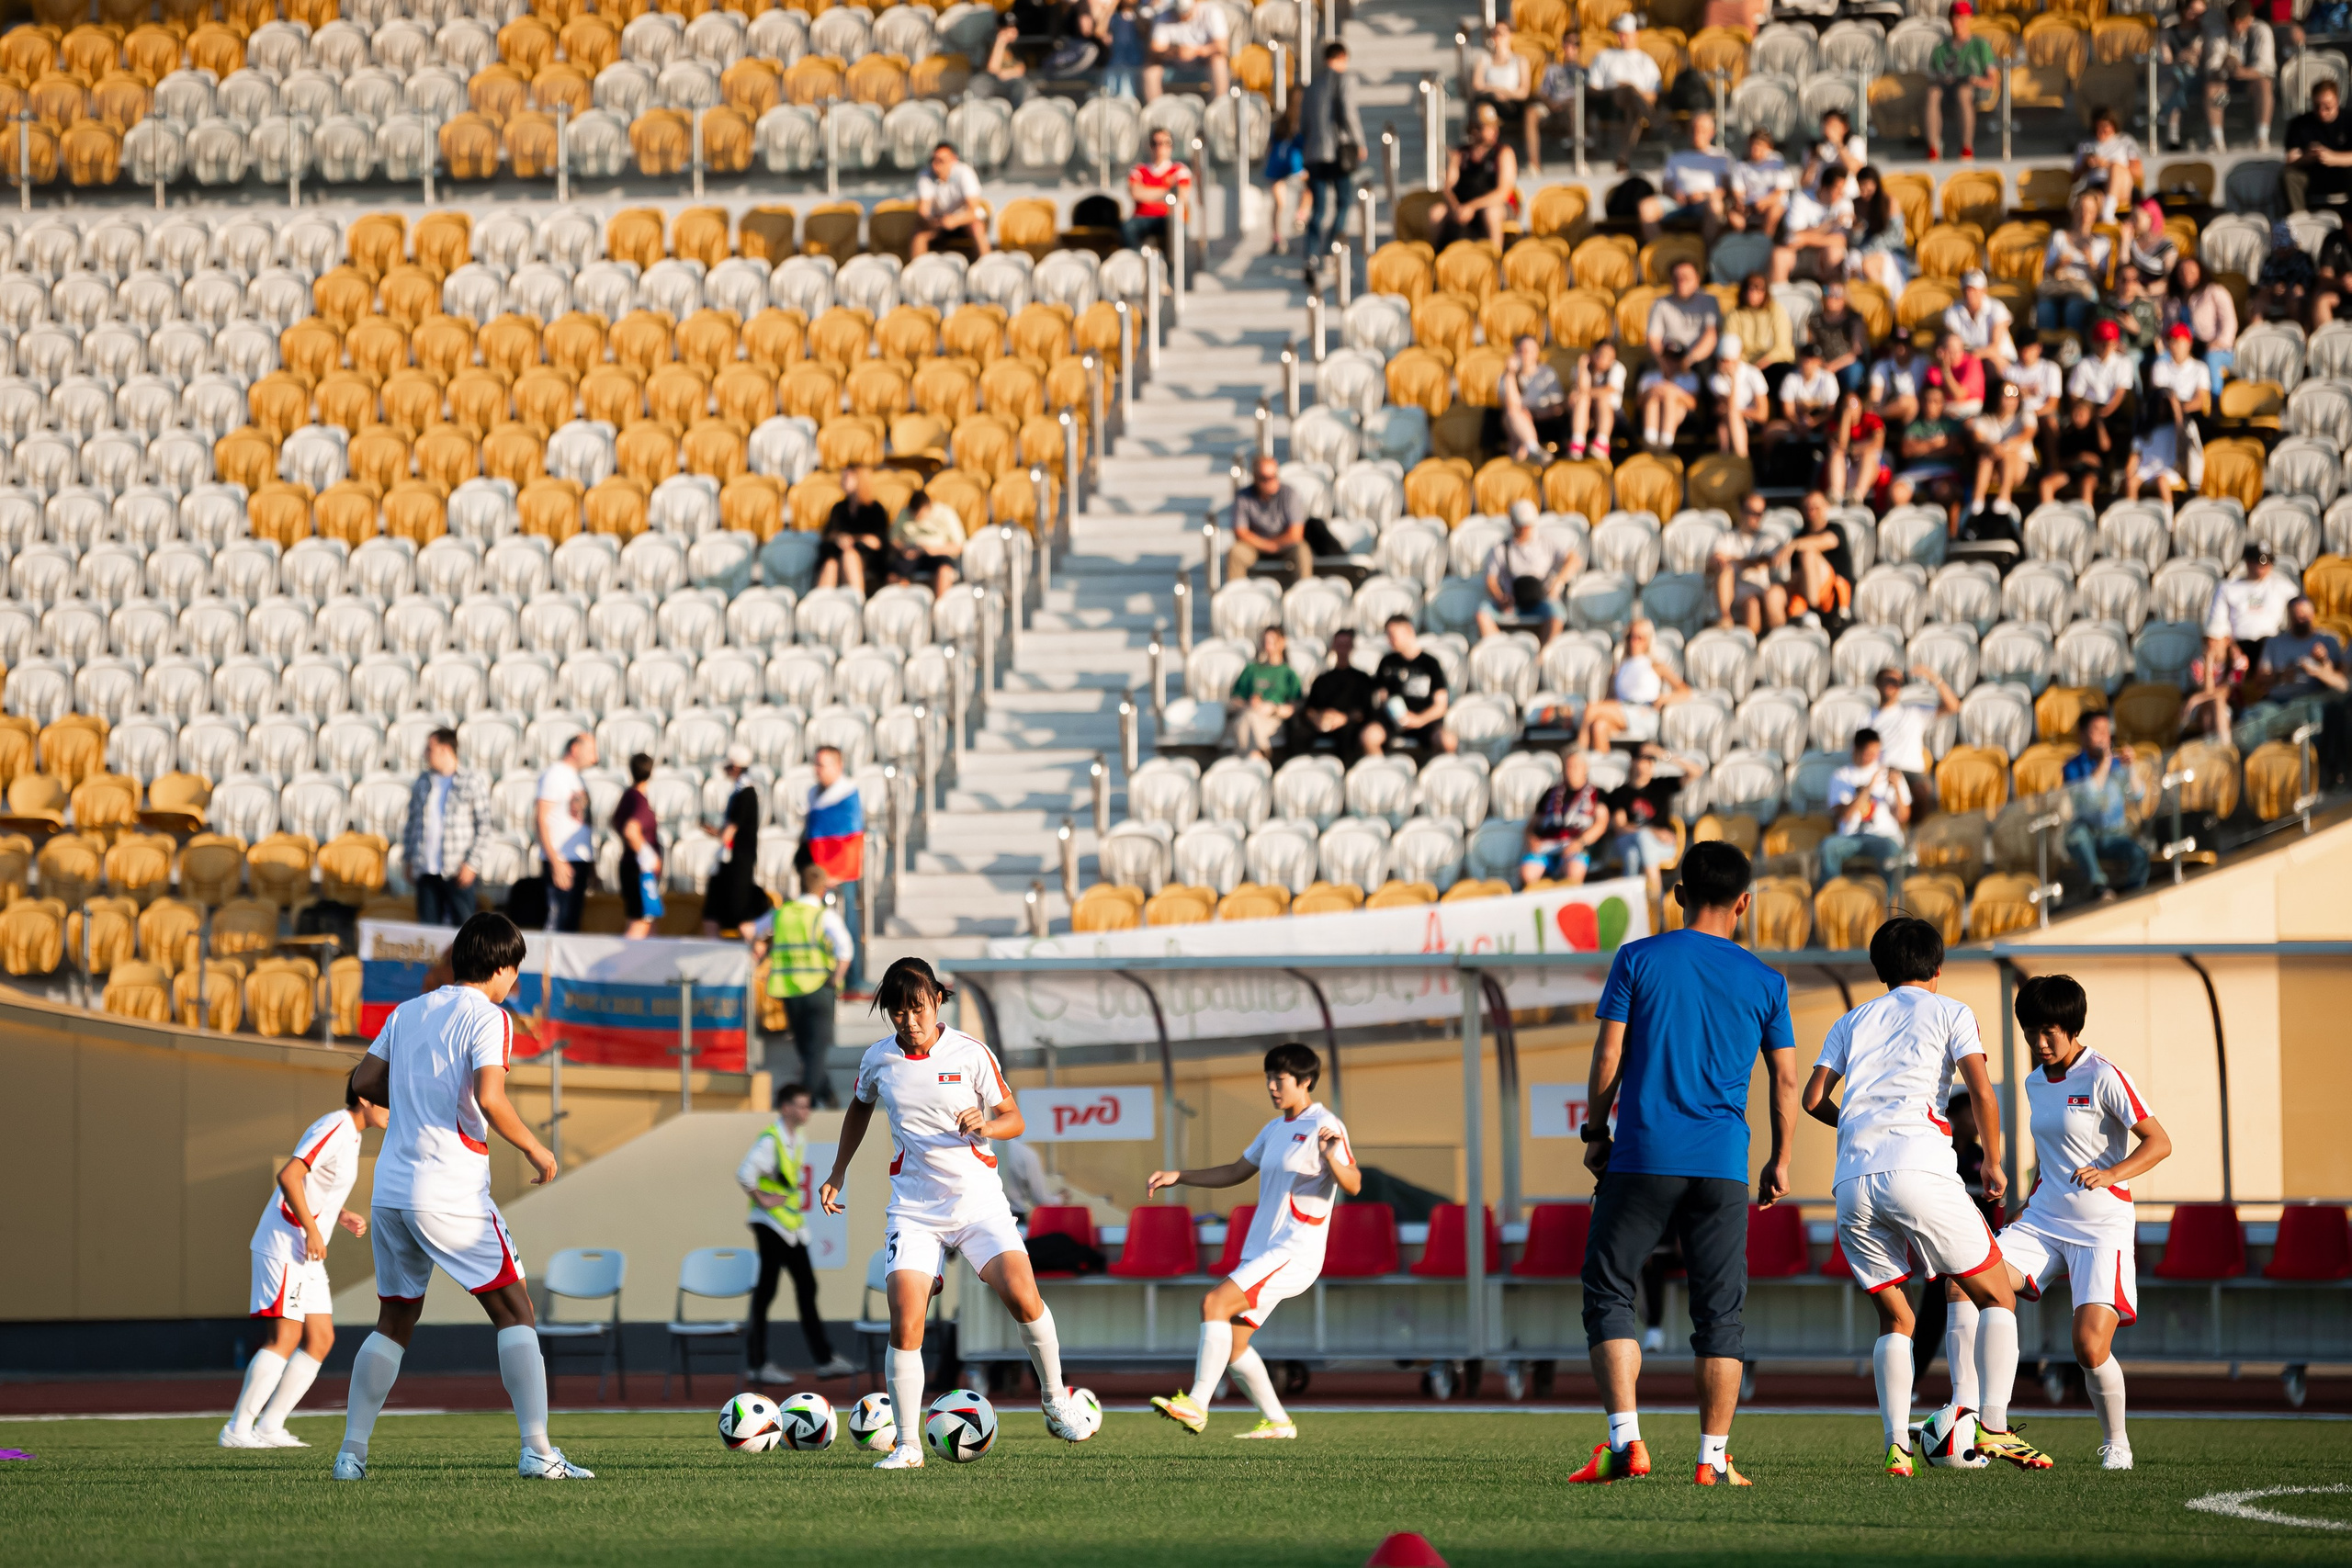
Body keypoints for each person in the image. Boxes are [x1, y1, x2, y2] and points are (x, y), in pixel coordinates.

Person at [1570, 840, 1798, 1487]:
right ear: (1744, 903)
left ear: (1678, 895)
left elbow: (1608, 1056)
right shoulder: (1767, 980)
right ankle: (1712, 1459)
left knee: (1610, 1288)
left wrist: (1595, 1131)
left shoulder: (1638, 958)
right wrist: (1780, 1159)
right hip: (1723, 1163)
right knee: (1720, 1313)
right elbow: (1785, 1079)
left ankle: (1627, 1443)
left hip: (1643, 1153)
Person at [338, 913, 590, 1481]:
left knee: (394, 1319)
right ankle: (538, 1451)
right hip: (449, 1189)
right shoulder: (489, 1016)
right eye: (515, 969)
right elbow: (490, 1097)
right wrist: (537, 1148)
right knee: (516, 1310)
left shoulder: (406, 1012)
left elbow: (364, 1082)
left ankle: (350, 1455)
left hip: (391, 1192)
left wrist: (415, 1091)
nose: (514, 981)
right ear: (500, 967)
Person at [819, 957, 1093, 1466]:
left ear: (937, 1001)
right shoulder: (878, 1058)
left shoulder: (970, 1053)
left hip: (978, 1205)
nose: (909, 1021)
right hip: (914, 1211)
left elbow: (1014, 1118)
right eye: (898, 1012)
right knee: (905, 1320)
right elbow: (859, 1107)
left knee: (1024, 1297)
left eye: (918, 1008)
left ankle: (1056, 1400)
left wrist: (987, 1125)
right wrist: (838, 1172)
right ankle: (907, 1445)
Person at [1801, 916, 2021, 1478]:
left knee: (1896, 1319)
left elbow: (1813, 1098)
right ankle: (1994, 1428)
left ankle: (1898, 1446)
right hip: (1919, 1167)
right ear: (1938, 967)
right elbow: (1981, 1091)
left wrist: (1858, 1126)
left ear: (1880, 971)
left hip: (1853, 1180)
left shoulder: (1851, 1019)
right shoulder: (1952, 1011)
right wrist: (1993, 1161)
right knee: (1999, 1294)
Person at [1979, 975, 2172, 1471]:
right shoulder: (2033, 1082)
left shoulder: (2104, 1075)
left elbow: (2159, 1142)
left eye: (2049, 1031)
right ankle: (1983, 1423)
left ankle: (2117, 1443)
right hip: (2043, 1220)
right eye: (2030, 1032)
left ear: (2071, 1026)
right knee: (1969, 1280)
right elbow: (2053, 1158)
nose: (2039, 1042)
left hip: (2101, 1228)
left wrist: (2111, 1173)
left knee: (2088, 1346)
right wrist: (2027, 1204)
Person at [1146, 1041, 1358, 1441]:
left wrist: (1331, 1156)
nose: (1272, 1087)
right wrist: (1180, 1176)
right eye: (1269, 1079)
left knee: (1214, 1303)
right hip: (1264, 1251)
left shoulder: (1325, 1124)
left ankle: (1197, 1404)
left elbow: (1354, 1183)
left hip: (1294, 1252)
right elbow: (1235, 1171)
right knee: (1234, 1343)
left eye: (1280, 1079)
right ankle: (1278, 1422)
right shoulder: (1274, 1129)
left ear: (1305, 1081)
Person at [220, 1074, 387, 1450]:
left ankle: (270, 1426)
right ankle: (237, 1428)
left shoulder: (352, 1135)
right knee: (286, 1336)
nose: (393, 1109)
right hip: (284, 1245)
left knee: (321, 1338)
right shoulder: (335, 1125)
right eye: (387, 1099)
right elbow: (290, 1174)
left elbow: (315, 1184)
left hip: (304, 1253)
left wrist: (340, 1214)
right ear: (364, 1099)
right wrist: (312, 1229)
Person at [739, 1081, 857, 1388]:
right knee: (768, 1291)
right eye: (801, 1105)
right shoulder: (771, 1139)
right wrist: (763, 1199)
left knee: (804, 1286)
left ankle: (823, 1359)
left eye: (808, 1105)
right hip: (770, 1224)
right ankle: (758, 1363)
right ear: (786, 1107)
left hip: (789, 1225)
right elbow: (745, 1173)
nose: (807, 1111)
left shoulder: (797, 1136)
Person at [751, 863, 853, 1106]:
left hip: (789, 991)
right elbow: (846, 951)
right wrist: (836, 978)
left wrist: (759, 947)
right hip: (818, 990)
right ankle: (803, 1106)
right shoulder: (823, 915)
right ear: (822, 889)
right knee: (816, 1051)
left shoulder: (781, 913)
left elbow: (753, 931)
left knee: (807, 1050)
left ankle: (827, 1095)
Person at [403, 727, 489, 930]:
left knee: (465, 930)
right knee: (428, 933)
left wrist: (472, 864)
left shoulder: (471, 781)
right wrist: (408, 859)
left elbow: (485, 826)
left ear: (445, 749)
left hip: (457, 870)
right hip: (426, 871)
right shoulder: (423, 782)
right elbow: (412, 823)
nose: (425, 754)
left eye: (429, 749)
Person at [2057, 712, 2148, 897]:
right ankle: (2099, 887)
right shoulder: (2072, 767)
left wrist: (2131, 768)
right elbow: (2088, 797)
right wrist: (2104, 764)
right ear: (2083, 735)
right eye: (2097, 731)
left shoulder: (2118, 764)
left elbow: (2138, 795)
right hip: (2089, 835)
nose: (2104, 737)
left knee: (2139, 855)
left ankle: (2132, 894)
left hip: (2115, 835)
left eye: (2107, 731)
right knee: (2075, 835)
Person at [798, 744, 865, 996]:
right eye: (815, 764)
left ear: (838, 766)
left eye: (822, 765)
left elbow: (851, 838)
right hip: (818, 872)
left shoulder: (846, 795)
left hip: (838, 875)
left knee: (846, 925)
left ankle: (852, 980)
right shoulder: (814, 794)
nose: (817, 770)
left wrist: (837, 873)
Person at [1298, 41, 1366, 269]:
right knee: (1344, 202)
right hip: (1338, 152)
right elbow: (1348, 112)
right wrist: (1359, 142)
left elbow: (1304, 123)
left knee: (1318, 208)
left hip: (1314, 153)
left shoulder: (1311, 86)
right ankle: (1330, 249)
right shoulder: (1344, 80)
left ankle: (1311, 254)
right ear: (1342, 57)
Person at [1640, 258, 1718, 447]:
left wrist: (1689, 359)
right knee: (1645, 369)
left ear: (1697, 279)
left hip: (1696, 357)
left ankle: (1707, 427)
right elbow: (1653, 338)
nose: (1681, 281)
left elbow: (1710, 336)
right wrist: (1663, 362)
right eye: (1676, 278)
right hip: (1668, 354)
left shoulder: (1709, 301)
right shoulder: (1661, 304)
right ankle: (1644, 426)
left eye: (1686, 277)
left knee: (1709, 375)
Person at [2128, 323, 2209, 504]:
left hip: (2187, 413)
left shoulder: (2199, 368)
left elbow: (2200, 400)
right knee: (2141, 422)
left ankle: (2193, 483)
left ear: (2188, 343)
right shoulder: (2160, 365)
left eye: (2178, 341)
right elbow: (2158, 396)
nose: (2175, 345)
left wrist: (2178, 409)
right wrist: (2171, 406)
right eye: (2171, 341)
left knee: (2190, 431)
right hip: (2163, 412)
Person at [1477, 498, 1576, 644]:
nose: (1524, 529)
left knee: (1557, 615)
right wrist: (1500, 598)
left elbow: (1574, 560)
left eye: (1527, 525)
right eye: (1520, 525)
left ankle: (1543, 655)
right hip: (1512, 603)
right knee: (1482, 614)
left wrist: (1557, 583)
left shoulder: (1546, 543)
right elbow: (1490, 580)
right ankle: (1501, 648)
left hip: (1541, 600)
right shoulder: (1500, 548)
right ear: (1512, 523)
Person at [1582, 619, 1690, 752]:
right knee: (1598, 726)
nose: (1633, 641)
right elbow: (1608, 700)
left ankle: (1579, 751)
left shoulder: (1656, 666)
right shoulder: (1618, 669)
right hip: (1622, 711)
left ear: (1647, 640)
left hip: (1644, 713)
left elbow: (1685, 691)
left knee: (1591, 709)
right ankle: (1604, 762)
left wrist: (1663, 698)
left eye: (1639, 638)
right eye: (1630, 637)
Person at [1821, 728, 1912, 881]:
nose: (1875, 757)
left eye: (1877, 752)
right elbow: (1845, 816)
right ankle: (1832, 892)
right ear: (1856, 750)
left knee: (1892, 850)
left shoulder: (1891, 774)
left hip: (1884, 836)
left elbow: (1903, 817)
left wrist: (1897, 788)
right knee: (1828, 847)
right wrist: (1868, 788)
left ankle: (1888, 895)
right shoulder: (1841, 776)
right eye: (1869, 753)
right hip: (1850, 837)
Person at [1868, 664, 1962, 813]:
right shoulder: (1868, 718)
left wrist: (1934, 678)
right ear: (1878, 683)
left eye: (1899, 682)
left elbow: (1954, 706)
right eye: (1889, 680)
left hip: (1912, 773)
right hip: (1884, 772)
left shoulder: (1913, 712)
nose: (1894, 685)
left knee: (1922, 798)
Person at [1227, 454, 1332, 581]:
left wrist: (1274, 545)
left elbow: (1296, 534)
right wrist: (1266, 545)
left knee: (1302, 550)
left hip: (1285, 546)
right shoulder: (1243, 496)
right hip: (1255, 546)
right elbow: (1240, 532)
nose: (1271, 481)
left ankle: (1303, 589)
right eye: (1265, 478)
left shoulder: (1289, 494)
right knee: (1236, 553)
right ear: (1255, 478)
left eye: (1274, 476)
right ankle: (1236, 591)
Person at [1434, 101, 1517, 250]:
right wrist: (1456, 208)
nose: (1494, 131)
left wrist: (1471, 206)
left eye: (1495, 126)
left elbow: (1502, 192)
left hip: (1493, 205)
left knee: (1491, 212)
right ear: (1474, 129)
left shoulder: (1503, 153)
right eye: (1488, 127)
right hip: (1463, 205)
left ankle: (1495, 257)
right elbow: (1447, 188)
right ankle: (1437, 256)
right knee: (1437, 212)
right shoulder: (1460, 154)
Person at [536, 732, 596, 933]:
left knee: (570, 925)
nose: (595, 757)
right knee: (558, 925)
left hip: (577, 860)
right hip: (562, 859)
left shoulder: (577, 779)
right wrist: (555, 861)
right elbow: (541, 818)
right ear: (575, 748)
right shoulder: (555, 775)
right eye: (591, 750)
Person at [1644, 111, 1735, 243]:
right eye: (1693, 129)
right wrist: (1674, 194)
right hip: (1677, 204)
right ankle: (1658, 248)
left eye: (1702, 130)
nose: (1697, 133)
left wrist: (1705, 196)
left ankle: (1706, 250)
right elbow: (1666, 186)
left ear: (1711, 133)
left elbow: (1728, 189)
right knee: (1646, 206)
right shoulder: (1676, 157)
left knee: (1715, 205)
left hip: (1706, 203)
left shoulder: (1722, 156)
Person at [1600, 744, 1682, 887]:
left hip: (1662, 845)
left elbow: (1696, 772)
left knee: (1637, 849)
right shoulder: (1620, 793)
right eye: (1644, 758)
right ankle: (1656, 895)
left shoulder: (1662, 785)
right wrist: (1651, 831)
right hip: (1633, 842)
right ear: (1633, 761)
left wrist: (1665, 755)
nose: (1648, 763)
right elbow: (1620, 827)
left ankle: (1633, 895)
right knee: (1638, 845)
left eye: (1651, 759)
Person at [2206, 540, 2301, 667]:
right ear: (2247, 562)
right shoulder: (2227, 588)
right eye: (2256, 561)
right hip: (2238, 646)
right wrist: (2229, 648)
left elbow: (2301, 609)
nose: (2262, 567)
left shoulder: (2283, 586)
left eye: (2267, 562)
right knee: (2215, 646)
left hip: (2270, 645)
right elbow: (2216, 627)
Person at [1924, 1, 1998, 161]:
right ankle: (1933, 149)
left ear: (1970, 19)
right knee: (1933, 92)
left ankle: (1966, 148)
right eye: (1955, 18)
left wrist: (1975, 81)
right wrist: (1945, 79)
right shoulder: (1941, 48)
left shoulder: (1980, 45)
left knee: (1963, 92)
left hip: (1974, 89)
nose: (1958, 22)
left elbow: (1993, 79)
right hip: (1948, 88)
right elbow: (1933, 76)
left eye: (1962, 18)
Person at [1523, 749, 1610, 886]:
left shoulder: (1598, 793)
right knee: (1528, 872)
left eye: (1575, 766)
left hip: (1577, 846)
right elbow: (1532, 825)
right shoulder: (1550, 793)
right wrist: (1531, 839)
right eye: (1568, 766)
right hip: (1547, 846)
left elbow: (1601, 824)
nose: (1571, 771)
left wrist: (1580, 842)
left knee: (1574, 870)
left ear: (1585, 768)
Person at [1587, 11, 1661, 171]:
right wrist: (1622, 88)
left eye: (1626, 34)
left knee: (1632, 104)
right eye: (1620, 34)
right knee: (1628, 89)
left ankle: (1623, 158)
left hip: (1634, 105)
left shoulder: (1646, 60)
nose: (1622, 38)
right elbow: (1593, 88)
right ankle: (1655, 122)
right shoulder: (1604, 56)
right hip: (1608, 103)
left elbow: (1653, 94)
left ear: (1636, 34)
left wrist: (1634, 92)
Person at [702, 745, 763, 937]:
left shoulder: (745, 793)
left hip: (738, 862)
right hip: (734, 861)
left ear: (736, 767)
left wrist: (717, 832)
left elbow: (729, 833)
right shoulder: (742, 791)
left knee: (740, 913)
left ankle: (751, 950)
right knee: (713, 910)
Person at [1886, 382, 1970, 521]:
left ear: (1943, 403)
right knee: (1897, 492)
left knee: (1946, 492)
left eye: (1936, 401)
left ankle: (1950, 532)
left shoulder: (1951, 424)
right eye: (1927, 400)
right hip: (1915, 472)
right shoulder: (1914, 424)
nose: (1930, 405)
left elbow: (1955, 448)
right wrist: (1935, 444)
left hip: (1944, 472)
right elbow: (1906, 450)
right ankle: (1905, 529)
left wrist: (1920, 446)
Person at [1292, 627, 1380, 756]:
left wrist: (1343, 718)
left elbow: (1365, 711)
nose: (1342, 648)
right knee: (1299, 733)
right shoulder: (1322, 679)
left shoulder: (1362, 679)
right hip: (1322, 722)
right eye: (1339, 644)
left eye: (1345, 645)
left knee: (1349, 734)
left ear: (1352, 647)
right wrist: (1318, 718)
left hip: (1348, 724)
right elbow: (1309, 708)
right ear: (1333, 646)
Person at [1374, 615, 1454, 752]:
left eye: (1392, 635)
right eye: (1388, 635)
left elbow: (1441, 706)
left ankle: (1441, 766)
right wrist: (1396, 715)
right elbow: (1382, 698)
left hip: (1424, 721)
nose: (1389, 640)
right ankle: (1379, 765)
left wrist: (1419, 720)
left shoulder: (1430, 663)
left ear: (1409, 631)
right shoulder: (1387, 662)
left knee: (1448, 741)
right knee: (1369, 736)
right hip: (1393, 721)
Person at [1708, 492, 1785, 634]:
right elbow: (1715, 560)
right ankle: (1726, 618)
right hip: (1736, 590)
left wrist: (1732, 559)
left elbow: (1761, 563)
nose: (1757, 517)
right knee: (1726, 571)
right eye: (1752, 512)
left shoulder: (1769, 539)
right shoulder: (1728, 537)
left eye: (1760, 513)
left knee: (1757, 601)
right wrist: (1736, 562)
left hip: (1761, 588)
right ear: (1741, 512)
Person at [1472, 21, 1540, 176]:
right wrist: (1497, 92)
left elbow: (1524, 92)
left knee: (1484, 108)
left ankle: (1532, 163)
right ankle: (1483, 158)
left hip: (1512, 105)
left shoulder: (1519, 60)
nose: (1498, 37)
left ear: (1510, 35)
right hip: (1490, 103)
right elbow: (1477, 85)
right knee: (1483, 108)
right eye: (1495, 33)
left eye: (1502, 33)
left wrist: (1503, 92)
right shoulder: (1484, 59)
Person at [2207, 1, 2276, 153]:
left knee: (2264, 85)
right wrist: (2225, 68)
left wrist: (2243, 72)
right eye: (2234, 23)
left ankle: (2262, 137)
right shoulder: (2218, 33)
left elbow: (2266, 68)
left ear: (2250, 18)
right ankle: (2217, 140)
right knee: (2212, 88)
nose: (2238, 27)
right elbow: (2212, 67)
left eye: (2242, 22)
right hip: (2226, 86)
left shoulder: (2261, 31)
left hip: (2251, 83)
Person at [2039, 190, 2111, 333]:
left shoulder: (2102, 242)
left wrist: (2091, 263)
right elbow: (2047, 271)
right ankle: (2047, 344)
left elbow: (2102, 281)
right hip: (2059, 287)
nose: (2084, 215)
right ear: (2073, 211)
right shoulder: (2059, 236)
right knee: (2044, 309)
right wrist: (2059, 264)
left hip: (2083, 289)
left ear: (2095, 214)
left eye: (2089, 211)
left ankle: (2075, 343)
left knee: (2073, 308)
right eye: (2080, 210)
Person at [2165, 254, 2238, 396]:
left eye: (2191, 271)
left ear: (2200, 271)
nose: (2186, 275)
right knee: (2163, 358)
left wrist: (2220, 342)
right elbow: (2167, 328)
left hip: (2215, 347)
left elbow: (2229, 322)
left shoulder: (2215, 291)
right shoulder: (2172, 300)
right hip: (2183, 347)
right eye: (2182, 272)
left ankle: (2215, 401)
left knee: (2211, 359)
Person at [1227, 626, 1301, 760]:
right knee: (1248, 717)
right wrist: (1250, 705)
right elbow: (1234, 701)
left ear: (1282, 642)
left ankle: (1249, 759)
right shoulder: (1251, 670)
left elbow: (1296, 705)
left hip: (1273, 720)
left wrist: (1273, 708)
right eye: (1265, 640)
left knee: (1248, 720)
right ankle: (1258, 755)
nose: (1268, 644)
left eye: (1272, 640)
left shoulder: (1288, 674)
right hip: (1248, 714)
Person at [1771, 163, 1853, 284]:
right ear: (1825, 187)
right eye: (1838, 189)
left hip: (1823, 254)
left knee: (1834, 253)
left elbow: (1840, 240)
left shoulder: (1845, 203)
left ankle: (1832, 293)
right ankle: (1778, 294)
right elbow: (1794, 233)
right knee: (1779, 255)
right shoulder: (1801, 197)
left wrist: (1805, 239)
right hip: (1798, 254)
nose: (1841, 193)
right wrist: (1830, 225)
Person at [1968, 381, 2040, 516]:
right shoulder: (1984, 417)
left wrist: (2004, 447)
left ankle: (2005, 495)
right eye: (2006, 395)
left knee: (2007, 454)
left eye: (2015, 395)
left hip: (2021, 468)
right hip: (1993, 471)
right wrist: (1990, 447)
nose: (2011, 400)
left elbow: (2027, 434)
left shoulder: (2025, 414)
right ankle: (1977, 498)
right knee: (1986, 455)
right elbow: (1976, 440)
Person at [1496, 333, 1570, 463]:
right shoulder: (1506, 377)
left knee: (1517, 435)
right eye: (1522, 350)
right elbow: (1512, 405)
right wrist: (1510, 373)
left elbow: (1558, 408)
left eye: (1530, 351)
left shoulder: (1547, 373)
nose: (1526, 354)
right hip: (1517, 419)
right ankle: (1533, 450)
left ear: (1537, 353)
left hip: (1545, 421)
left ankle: (1525, 455)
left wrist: (1535, 414)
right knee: (1512, 415)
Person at [819, 465, 890, 596]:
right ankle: (821, 604)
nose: (842, 481)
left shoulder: (875, 509)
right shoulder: (839, 508)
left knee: (849, 556)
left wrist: (853, 539)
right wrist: (839, 538)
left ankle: (855, 601)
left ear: (859, 481)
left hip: (866, 557)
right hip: (838, 553)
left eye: (846, 478)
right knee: (830, 564)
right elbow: (828, 534)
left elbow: (878, 541)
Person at [613, 751, 662, 939]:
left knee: (648, 924)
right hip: (639, 870)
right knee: (640, 924)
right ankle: (625, 959)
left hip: (630, 867)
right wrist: (649, 856)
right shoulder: (639, 800)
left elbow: (615, 821)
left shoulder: (628, 796)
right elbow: (630, 830)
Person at [2285, 77, 2352, 214]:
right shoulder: (2301, 124)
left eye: (2327, 107)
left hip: (2342, 175)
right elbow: (2290, 158)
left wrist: (2333, 158)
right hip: (2311, 175)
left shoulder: (2348, 120)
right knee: (2289, 176)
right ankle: (2299, 218)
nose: (2322, 112)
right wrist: (2308, 156)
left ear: (2337, 102)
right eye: (2317, 107)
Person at [910, 141, 989, 257]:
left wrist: (955, 220)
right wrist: (934, 222)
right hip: (939, 222)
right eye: (933, 160)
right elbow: (923, 211)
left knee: (977, 227)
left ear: (953, 160)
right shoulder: (925, 176)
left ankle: (986, 263)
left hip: (963, 221)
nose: (935, 165)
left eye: (941, 161)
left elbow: (973, 210)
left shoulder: (965, 173)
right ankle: (918, 267)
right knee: (919, 234)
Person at [1123, 126, 1192, 254]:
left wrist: (1147, 192)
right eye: (1155, 143)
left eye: (1166, 143)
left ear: (1172, 146)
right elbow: (1136, 193)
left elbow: (1182, 197)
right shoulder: (1139, 170)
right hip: (1141, 219)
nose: (1160, 147)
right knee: (1128, 228)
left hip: (1168, 218)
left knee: (1179, 230)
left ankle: (1173, 265)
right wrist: (1167, 191)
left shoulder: (1179, 170)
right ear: (1149, 146)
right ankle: (1133, 261)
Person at [1143, 0, 1229, 101]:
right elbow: (1155, 48)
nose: (1183, 16)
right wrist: (1176, 51)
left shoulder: (1212, 12)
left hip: (1203, 62)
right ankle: (1155, 107)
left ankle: (1219, 104)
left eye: (1186, 12)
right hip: (1173, 62)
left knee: (1219, 61)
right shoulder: (1164, 14)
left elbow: (1222, 47)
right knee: (1151, 67)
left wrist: (1196, 51)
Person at [2071, 105, 2143, 222]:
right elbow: (2074, 178)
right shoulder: (2085, 145)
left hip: (2122, 188)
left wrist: (2107, 165)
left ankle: (2108, 210)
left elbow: (2138, 173)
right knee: (2087, 200)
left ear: (2113, 125)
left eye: (2104, 127)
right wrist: (2086, 164)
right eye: (2097, 127)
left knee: (2115, 167)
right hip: (2098, 188)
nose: (2101, 132)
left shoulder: (2125, 142)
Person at [888, 488, 964, 598]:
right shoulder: (904, 513)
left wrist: (932, 550)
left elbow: (959, 546)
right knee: (893, 574)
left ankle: (940, 605)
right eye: (914, 515)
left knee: (945, 571)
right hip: (912, 555)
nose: (917, 518)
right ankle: (903, 602)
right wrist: (903, 549)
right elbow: (893, 540)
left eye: (920, 515)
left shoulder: (945, 513)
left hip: (938, 555)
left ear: (929, 507)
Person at [1849, 165, 1913, 293]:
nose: (1864, 192)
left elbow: (1895, 237)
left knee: (1868, 265)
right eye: (1861, 187)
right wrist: (1856, 230)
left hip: (1892, 253)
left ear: (1876, 184)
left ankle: (1883, 299)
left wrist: (1869, 249)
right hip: (1865, 251)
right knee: (1851, 262)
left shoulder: (1890, 203)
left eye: (1867, 186)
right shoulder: (1857, 204)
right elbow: (1855, 242)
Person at [2157, 0, 2211, 148]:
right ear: (2183, 10)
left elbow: (2199, 61)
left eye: (2201, 13)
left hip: (2197, 80)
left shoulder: (2203, 34)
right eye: (2193, 12)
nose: (2197, 17)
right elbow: (2166, 59)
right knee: (2177, 81)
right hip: (2174, 77)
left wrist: (2189, 57)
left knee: (2177, 80)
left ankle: (2159, 104)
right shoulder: (2168, 32)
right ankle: (2173, 135)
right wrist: (2180, 57)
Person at [2041, 394, 2111, 506]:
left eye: (2082, 413)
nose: (2078, 416)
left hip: (2091, 473)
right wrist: (2079, 458)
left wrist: (2099, 423)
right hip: (2071, 472)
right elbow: (2059, 463)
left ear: (2090, 415)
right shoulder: (2068, 433)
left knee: (2086, 483)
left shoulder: (2095, 431)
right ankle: (2049, 514)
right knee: (2046, 484)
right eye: (2076, 412)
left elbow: (2105, 447)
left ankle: (2086, 514)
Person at [1709, 333, 1770, 458]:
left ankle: (1739, 458)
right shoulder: (1715, 379)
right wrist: (1733, 380)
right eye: (1721, 360)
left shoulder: (1753, 373)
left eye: (1727, 360)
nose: (1724, 364)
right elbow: (1729, 407)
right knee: (1725, 424)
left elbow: (1762, 415)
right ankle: (1735, 460)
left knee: (1729, 419)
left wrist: (1738, 412)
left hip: (1752, 423)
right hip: (1731, 421)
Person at [1809, 278, 1872, 397]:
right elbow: (1810, 347)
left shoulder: (1854, 319)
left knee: (1854, 371)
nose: (1831, 297)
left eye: (1837, 293)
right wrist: (1820, 364)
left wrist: (1833, 366)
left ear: (1845, 297)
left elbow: (1856, 351)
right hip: (1822, 363)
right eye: (1827, 291)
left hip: (1846, 363)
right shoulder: (1815, 320)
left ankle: (1849, 398)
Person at [1942, 269, 2015, 371]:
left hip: (2001, 359)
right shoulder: (1952, 312)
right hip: (1968, 360)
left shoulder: (1997, 309)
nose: (1970, 294)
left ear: (1983, 291)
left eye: (1974, 290)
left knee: (1992, 362)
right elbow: (1951, 343)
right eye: (1967, 290)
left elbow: (1994, 348)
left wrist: (1972, 355)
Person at [1826, 388, 1887, 507]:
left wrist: (1855, 449)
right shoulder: (1835, 424)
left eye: (1854, 403)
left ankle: (1857, 496)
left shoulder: (1871, 418)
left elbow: (1878, 442)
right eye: (1846, 405)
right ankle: (1836, 496)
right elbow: (1841, 444)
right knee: (1836, 453)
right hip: (1846, 466)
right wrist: (1846, 416)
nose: (1850, 407)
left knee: (1868, 453)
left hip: (1870, 466)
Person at [1567, 338, 1626, 460]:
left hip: (1613, 414)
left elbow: (1608, 390)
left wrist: (1584, 393)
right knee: (1583, 400)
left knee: (1601, 399)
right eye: (1601, 354)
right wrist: (1582, 367)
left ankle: (1602, 443)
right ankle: (1577, 443)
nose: (1604, 359)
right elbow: (1580, 388)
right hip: (1587, 412)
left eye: (1609, 356)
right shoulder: (1581, 368)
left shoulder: (1618, 368)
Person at [1724, 271, 1794, 369]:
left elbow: (1782, 347)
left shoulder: (1776, 311)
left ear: (1765, 292)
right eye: (1749, 288)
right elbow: (1730, 345)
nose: (1753, 293)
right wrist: (1746, 368)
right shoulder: (1734, 314)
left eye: (1758, 289)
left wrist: (1761, 364)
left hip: (1772, 363)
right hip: (1743, 365)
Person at [1730, 127, 1793, 236]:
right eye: (1753, 145)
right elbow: (1738, 191)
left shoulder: (1777, 160)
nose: (1755, 148)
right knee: (1733, 216)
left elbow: (1780, 191)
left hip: (1773, 203)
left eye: (1760, 145)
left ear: (1769, 147)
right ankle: (1744, 240)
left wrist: (1763, 203)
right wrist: (1741, 204)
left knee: (1774, 211)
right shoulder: (1740, 164)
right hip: (1749, 205)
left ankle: (1765, 241)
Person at [1868, 330, 1924, 428]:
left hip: (1917, 415)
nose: (1901, 348)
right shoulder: (1882, 366)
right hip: (1888, 413)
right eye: (1897, 344)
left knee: (1911, 402)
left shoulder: (1922, 364)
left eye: (1905, 344)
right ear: (1892, 346)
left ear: (1911, 347)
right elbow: (1875, 398)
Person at [1924, 330, 1985, 421]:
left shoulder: (1972, 362)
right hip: (1945, 412)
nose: (1957, 354)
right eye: (1952, 350)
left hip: (1969, 411)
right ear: (1940, 351)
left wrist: (1945, 370)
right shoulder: (1934, 368)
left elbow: (1958, 395)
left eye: (1960, 349)